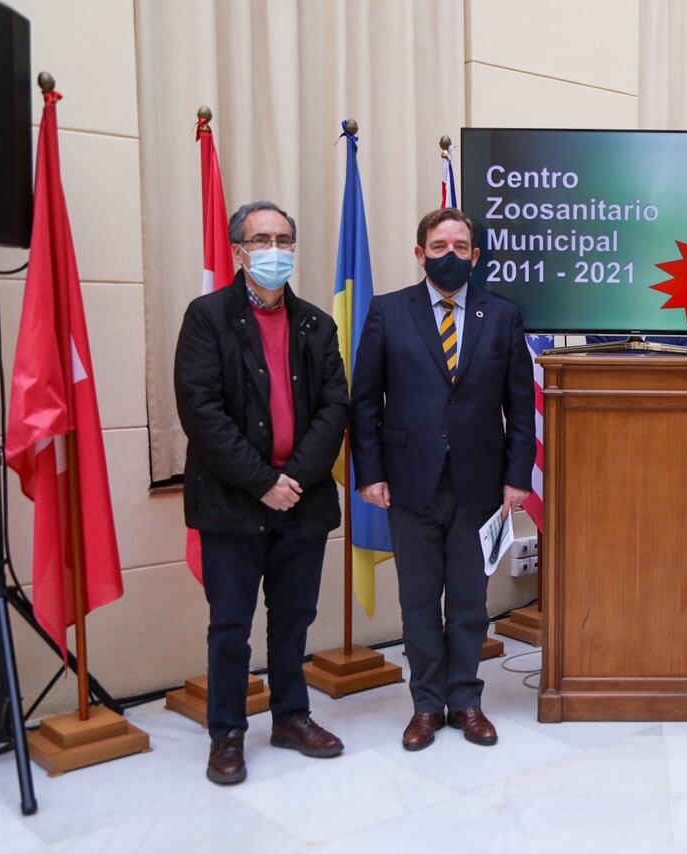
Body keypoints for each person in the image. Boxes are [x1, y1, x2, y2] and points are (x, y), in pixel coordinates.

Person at [175, 201, 349, 785]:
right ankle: (226, 734)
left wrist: (292, 479)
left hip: (300, 499)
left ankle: (291, 717)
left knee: (294, 619)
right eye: (261, 239)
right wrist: (263, 482)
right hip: (233, 501)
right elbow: (202, 413)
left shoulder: (316, 324)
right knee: (231, 624)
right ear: (238, 251)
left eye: (284, 239)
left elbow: (334, 408)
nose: (274, 249)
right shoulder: (206, 318)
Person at [350, 208, 536, 751]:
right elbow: (365, 402)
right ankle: (426, 704)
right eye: (438, 246)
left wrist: (516, 477)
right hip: (409, 484)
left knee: (470, 602)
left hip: (480, 485)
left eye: (460, 247)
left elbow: (519, 406)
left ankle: (466, 700)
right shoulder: (388, 312)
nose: (449, 255)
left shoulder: (501, 316)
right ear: (419, 253)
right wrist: (371, 474)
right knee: (418, 601)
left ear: (475, 257)